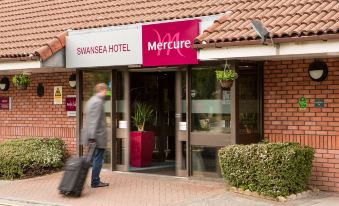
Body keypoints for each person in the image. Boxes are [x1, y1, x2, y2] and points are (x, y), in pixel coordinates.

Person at [82, 83, 109, 188]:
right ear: (102, 90)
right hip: (97, 137)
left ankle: (82, 179)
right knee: (98, 159)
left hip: (91, 136)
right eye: (106, 90)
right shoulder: (98, 102)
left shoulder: (91, 101)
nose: (106, 91)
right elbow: (94, 120)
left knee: (91, 159)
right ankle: (95, 182)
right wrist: (93, 137)